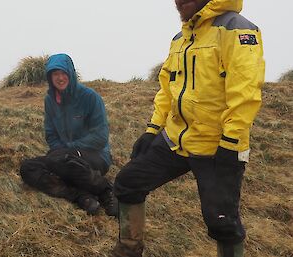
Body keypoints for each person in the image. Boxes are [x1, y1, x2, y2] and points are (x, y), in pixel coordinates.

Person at [112, 0, 265, 256]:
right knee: (128, 182)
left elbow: (245, 92)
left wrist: (231, 142)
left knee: (222, 222)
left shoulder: (237, 29)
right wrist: (153, 129)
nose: (179, 1)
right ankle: (128, 249)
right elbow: (167, 89)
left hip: (218, 146)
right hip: (175, 139)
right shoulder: (180, 38)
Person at [20, 53, 118, 217]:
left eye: (63, 73)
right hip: (63, 157)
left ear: (71, 74)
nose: (60, 78)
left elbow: (100, 137)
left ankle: (107, 191)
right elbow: (51, 134)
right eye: (55, 74)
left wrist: (70, 150)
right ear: (50, 77)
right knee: (28, 168)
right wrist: (60, 152)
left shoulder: (90, 97)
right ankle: (81, 196)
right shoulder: (49, 100)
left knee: (67, 162)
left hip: (96, 155)